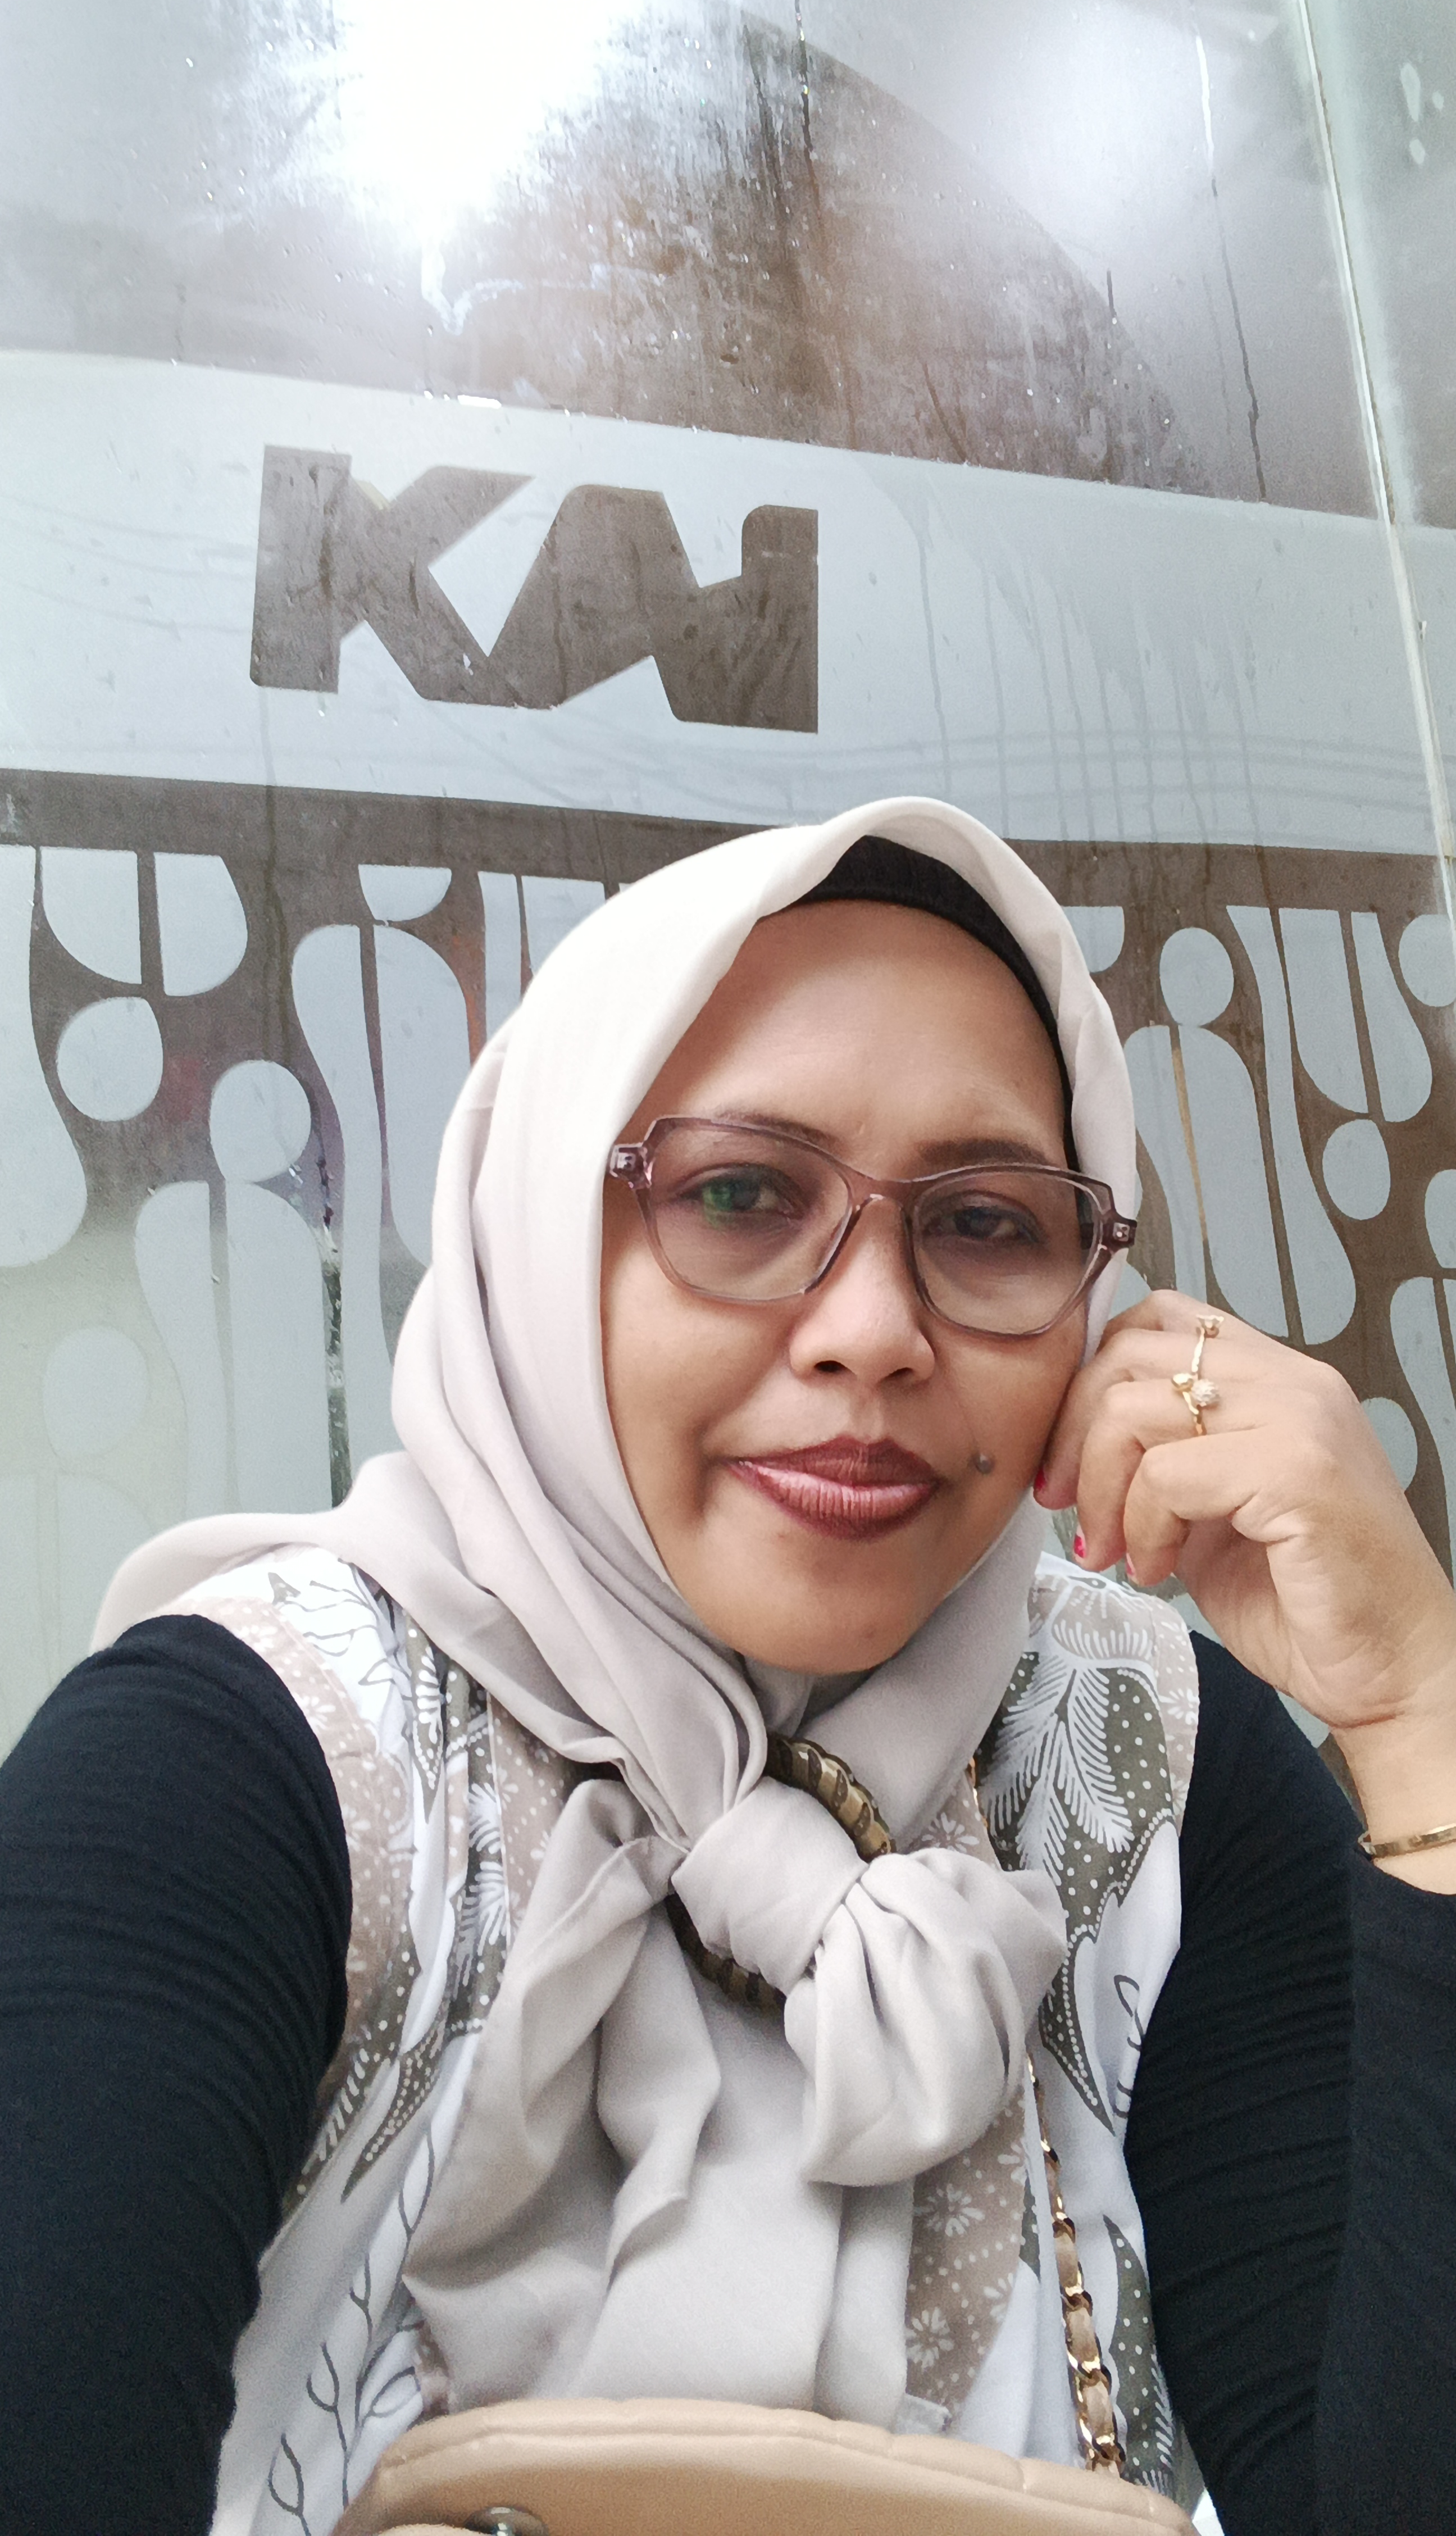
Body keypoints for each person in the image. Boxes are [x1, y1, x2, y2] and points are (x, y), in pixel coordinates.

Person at [2, 797, 1454, 2536]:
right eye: (741, 1194)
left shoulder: (1137, 1763)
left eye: (988, 1223)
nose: (873, 1331)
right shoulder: (248, 1761)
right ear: (545, 1235)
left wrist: (1423, 1729)